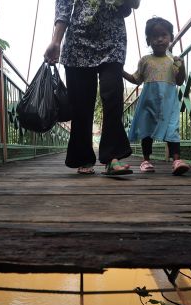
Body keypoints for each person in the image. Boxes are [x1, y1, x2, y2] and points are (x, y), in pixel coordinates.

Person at [44, 0, 140, 175]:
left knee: (113, 97)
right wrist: (56, 41)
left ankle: (112, 158)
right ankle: (83, 157)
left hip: (113, 40)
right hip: (78, 41)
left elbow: (135, 4)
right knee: (80, 103)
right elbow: (63, 6)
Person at [123, 17, 191, 175]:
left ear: (171, 37)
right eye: (155, 36)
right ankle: (146, 160)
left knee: (172, 129)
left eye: (164, 35)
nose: (159, 39)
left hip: (169, 102)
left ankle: (177, 160)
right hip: (149, 102)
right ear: (148, 40)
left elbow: (180, 81)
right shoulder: (145, 60)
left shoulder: (174, 61)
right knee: (147, 130)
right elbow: (136, 79)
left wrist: (182, 67)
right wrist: (121, 71)